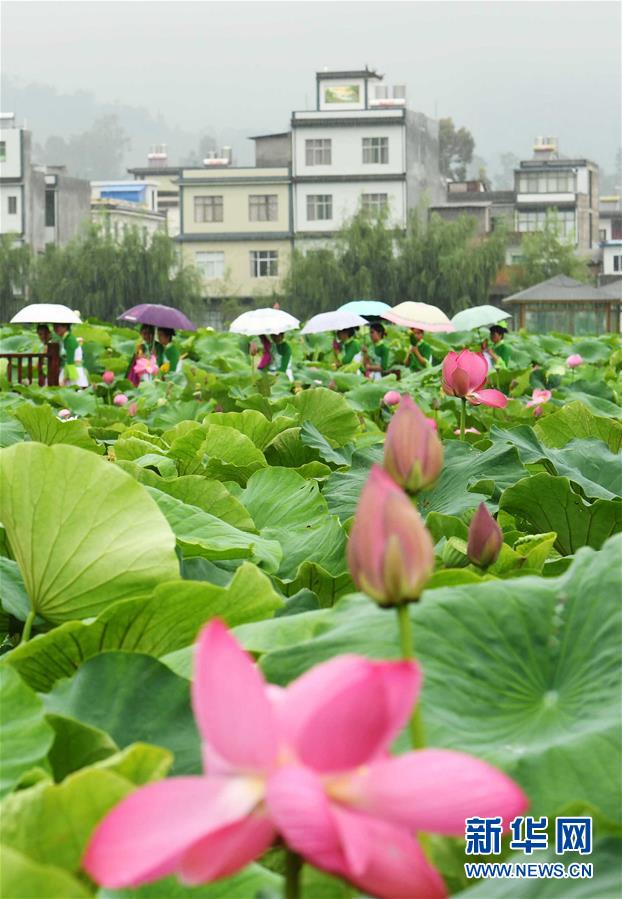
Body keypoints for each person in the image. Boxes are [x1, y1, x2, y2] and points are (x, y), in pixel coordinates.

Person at [53, 323, 88, 387]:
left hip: (73, 371)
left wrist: (65, 378)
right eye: (54, 326)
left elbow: (70, 361)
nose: (55, 329)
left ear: (65, 326)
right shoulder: (65, 339)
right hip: (69, 369)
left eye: (57, 326)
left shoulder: (70, 339)